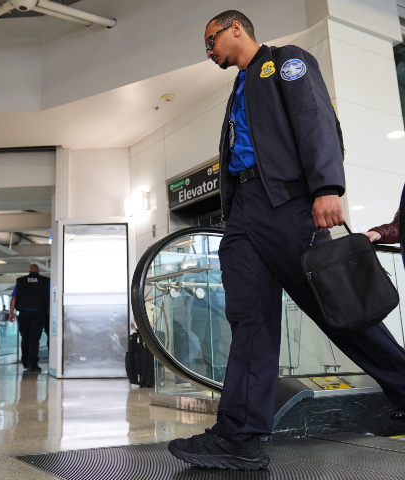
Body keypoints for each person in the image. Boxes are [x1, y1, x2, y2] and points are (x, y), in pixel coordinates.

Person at [167, 10, 405, 470]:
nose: (210, 51)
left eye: (211, 39)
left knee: (337, 309)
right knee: (249, 321)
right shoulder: (240, 86)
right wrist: (233, 212)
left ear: (236, 28)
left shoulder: (285, 62)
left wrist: (325, 187)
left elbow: (315, 118)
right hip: (245, 215)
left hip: (288, 205)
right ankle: (240, 436)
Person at [9, 264, 50, 374]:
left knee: (25, 337)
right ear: (38, 271)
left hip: (24, 313)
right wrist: (50, 308)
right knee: (34, 338)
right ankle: (33, 364)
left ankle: (25, 362)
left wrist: (11, 313)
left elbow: (14, 298)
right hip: (39, 312)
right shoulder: (45, 281)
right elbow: (51, 296)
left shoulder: (21, 281)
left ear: (29, 271)